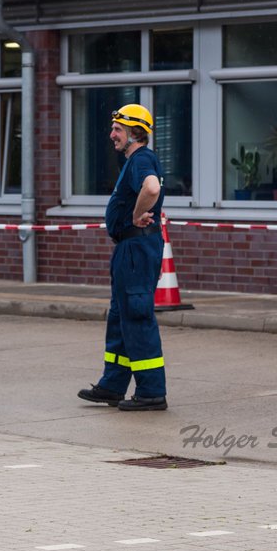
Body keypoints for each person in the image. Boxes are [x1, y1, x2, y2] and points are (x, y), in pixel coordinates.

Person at [77, 103, 168, 411]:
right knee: (120, 317)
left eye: (118, 130)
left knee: (137, 316)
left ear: (134, 134)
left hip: (136, 250)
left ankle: (151, 392)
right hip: (130, 249)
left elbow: (151, 188)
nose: (112, 134)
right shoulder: (135, 160)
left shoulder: (142, 158)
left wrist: (136, 212)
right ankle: (112, 385)